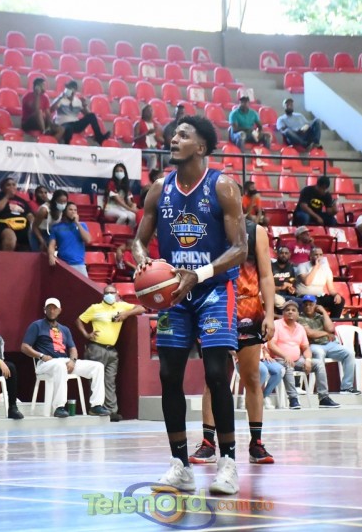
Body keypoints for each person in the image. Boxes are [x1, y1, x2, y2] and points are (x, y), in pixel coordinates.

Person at [131, 115, 246, 495]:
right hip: (173, 296)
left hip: (213, 290)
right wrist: (142, 262)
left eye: (183, 135)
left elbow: (240, 248)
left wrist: (199, 273)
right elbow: (138, 241)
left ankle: (227, 462)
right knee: (169, 376)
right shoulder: (159, 189)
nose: (173, 139)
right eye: (173, 134)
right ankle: (180, 465)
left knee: (216, 374)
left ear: (201, 146)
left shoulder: (222, 186)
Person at [189, 218, 276, 465]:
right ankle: (208, 443)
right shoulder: (206, 226)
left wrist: (270, 314)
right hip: (214, 308)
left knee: (252, 377)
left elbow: (266, 276)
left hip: (248, 308)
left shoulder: (255, 231)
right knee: (213, 379)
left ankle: (256, 443)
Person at [21, 298, 111, 417]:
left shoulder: (65, 329)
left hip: (64, 361)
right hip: (45, 363)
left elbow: (72, 348)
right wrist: (41, 356)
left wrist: (72, 361)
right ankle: (59, 407)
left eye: (54, 308)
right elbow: (24, 347)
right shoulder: (36, 325)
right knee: (60, 366)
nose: (52, 311)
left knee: (98, 366)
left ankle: (96, 406)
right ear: (44, 310)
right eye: (49, 308)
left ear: (59, 310)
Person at [75, 285, 145, 422]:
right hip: (96, 348)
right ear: (103, 295)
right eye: (107, 293)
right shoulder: (95, 308)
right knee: (96, 380)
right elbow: (79, 320)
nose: (109, 295)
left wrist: (126, 314)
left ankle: (112, 412)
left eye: (112, 293)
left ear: (117, 294)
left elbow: (141, 308)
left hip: (112, 349)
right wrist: (86, 334)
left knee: (110, 381)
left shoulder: (121, 306)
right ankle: (95, 408)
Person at [269, 300, 339, 409]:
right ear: (283, 313)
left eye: (293, 310)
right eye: (287, 310)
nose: (290, 312)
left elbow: (306, 347)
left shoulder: (300, 328)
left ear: (298, 314)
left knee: (319, 364)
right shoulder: (277, 324)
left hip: (297, 360)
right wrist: (285, 356)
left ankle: (324, 398)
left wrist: (308, 360)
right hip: (279, 359)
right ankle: (293, 399)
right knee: (288, 364)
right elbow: (271, 344)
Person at [298, 295, 360, 395]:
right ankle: (322, 389)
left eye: (311, 304)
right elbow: (310, 333)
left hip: (329, 344)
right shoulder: (300, 318)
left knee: (349, 353)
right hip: (313, 345)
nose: (308, 307)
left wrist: (323, 312)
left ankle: (346, 387)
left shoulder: (320, 316)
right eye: (306, 305)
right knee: (319, 353)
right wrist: (326, 334)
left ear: (315, 305)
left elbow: (331, 329)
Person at [52, 79, 110, 146]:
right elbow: (51, 110)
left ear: (75, 90)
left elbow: (87, 114)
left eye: (72, 89)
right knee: (69, 128)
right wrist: (60, 98)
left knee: (92, 116)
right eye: (68, 89)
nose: (70, 91)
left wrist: (84, 106)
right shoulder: (60, 99)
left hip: (75, 124)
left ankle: (99, 137)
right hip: (63, 124)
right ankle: (66, 145)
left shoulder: (78, 101)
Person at [0, 177, 35, 251]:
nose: (11, 187)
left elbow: (29, 213)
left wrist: (32, 221)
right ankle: (6, 258)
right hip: (2, 225)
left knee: (36, 234)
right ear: (3, 188)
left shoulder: (22, 200)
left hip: (21, 226)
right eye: (8, 185)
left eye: (13, 185)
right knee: (10, 236)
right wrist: (7, 196)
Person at [296, 247, 345, 318]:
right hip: (305, 296)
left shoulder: (326, 269)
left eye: (320, 255)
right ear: (310, 256)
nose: (318, 257)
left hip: (319, 296)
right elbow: (307, 282)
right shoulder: (302, 266)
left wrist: (336, 295)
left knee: (340, 301)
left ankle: (333, 321)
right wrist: (316, 267)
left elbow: (331, 289)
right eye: (316, 255)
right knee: (312, 301)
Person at [48, 202, 92, 276]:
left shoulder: (82, 225)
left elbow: (88, 240)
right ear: (65, 212)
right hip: (63, 264)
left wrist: (77, 223)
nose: (73, 212)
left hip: (79, 264)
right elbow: (52, 245)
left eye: (75, 210)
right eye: (70, 210)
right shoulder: (56, 227)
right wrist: (51, 255)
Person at [133, 104, 164, 169]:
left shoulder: (157, 125)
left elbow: (163, 141)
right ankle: (151, 175)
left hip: (156, 149)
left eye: (151, 110)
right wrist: (146, 134)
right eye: (148, 111)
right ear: (143, 113)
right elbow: (135, 139)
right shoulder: (138, 124)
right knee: (152, 157)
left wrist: (158, 138)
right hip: (143, 149)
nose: (150, 112)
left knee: (169, 157)